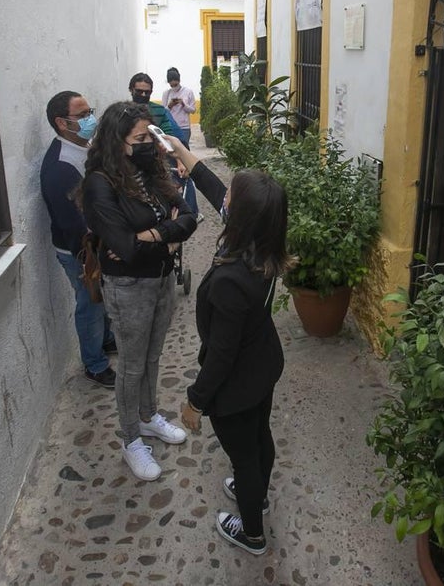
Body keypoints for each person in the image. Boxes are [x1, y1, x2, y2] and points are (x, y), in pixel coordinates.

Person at [170, 135, 290, 556]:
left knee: (244, 454)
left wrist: (194, 403)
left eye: (233, 198)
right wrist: (179, 149)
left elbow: (220, 356)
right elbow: (212, 186)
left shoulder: (230, 280)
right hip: (264, 365)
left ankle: (252, 532)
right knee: (260, 437)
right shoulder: (265, 242)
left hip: (236, 383)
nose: (226, 198)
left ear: (238, 215)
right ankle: (254, 490)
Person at [81, 102, 197, 481]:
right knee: (131, 366)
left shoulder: (150, 169)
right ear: (118, 141)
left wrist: (156, 239)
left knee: (152, 356)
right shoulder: (100, 183)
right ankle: (131, 439)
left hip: (162, 278)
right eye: (141, 137)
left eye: (151, 136)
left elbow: (190, 215)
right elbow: (126, 249)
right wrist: (167, 234)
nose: (150, 143)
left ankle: (148, 417)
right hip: (128, 286)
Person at [40, 90, 117, 388]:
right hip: (80, 251)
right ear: (62, 123)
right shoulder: (59, 168)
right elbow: (73, 224)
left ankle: (106, 340)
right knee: (90, 303)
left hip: (95, 242)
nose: (90, 119)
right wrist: (94, 253)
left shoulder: (83, 146)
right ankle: (95, 365)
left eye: (90, 112)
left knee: (102, 297)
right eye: (82, 115)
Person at [130, 72, 200, 220]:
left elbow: (170, 138)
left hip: (158, 161)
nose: (143, 95)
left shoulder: (159, 111)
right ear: (131, 90)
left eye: (147, 92)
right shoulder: (123, 113)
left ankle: (189, 214)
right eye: (139, 91)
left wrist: (181, 161)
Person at [162, 67, 197, 149]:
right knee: (172, 152)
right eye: (172, 85)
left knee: (184, 151)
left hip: (184, 127)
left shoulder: (188, 91)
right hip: (170, 127)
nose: (174, 87)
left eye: (176, 85)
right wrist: (170, 105)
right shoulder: (166, 93)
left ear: (179, 81)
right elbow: (163, 112)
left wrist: (183, 104)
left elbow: (193, 110)